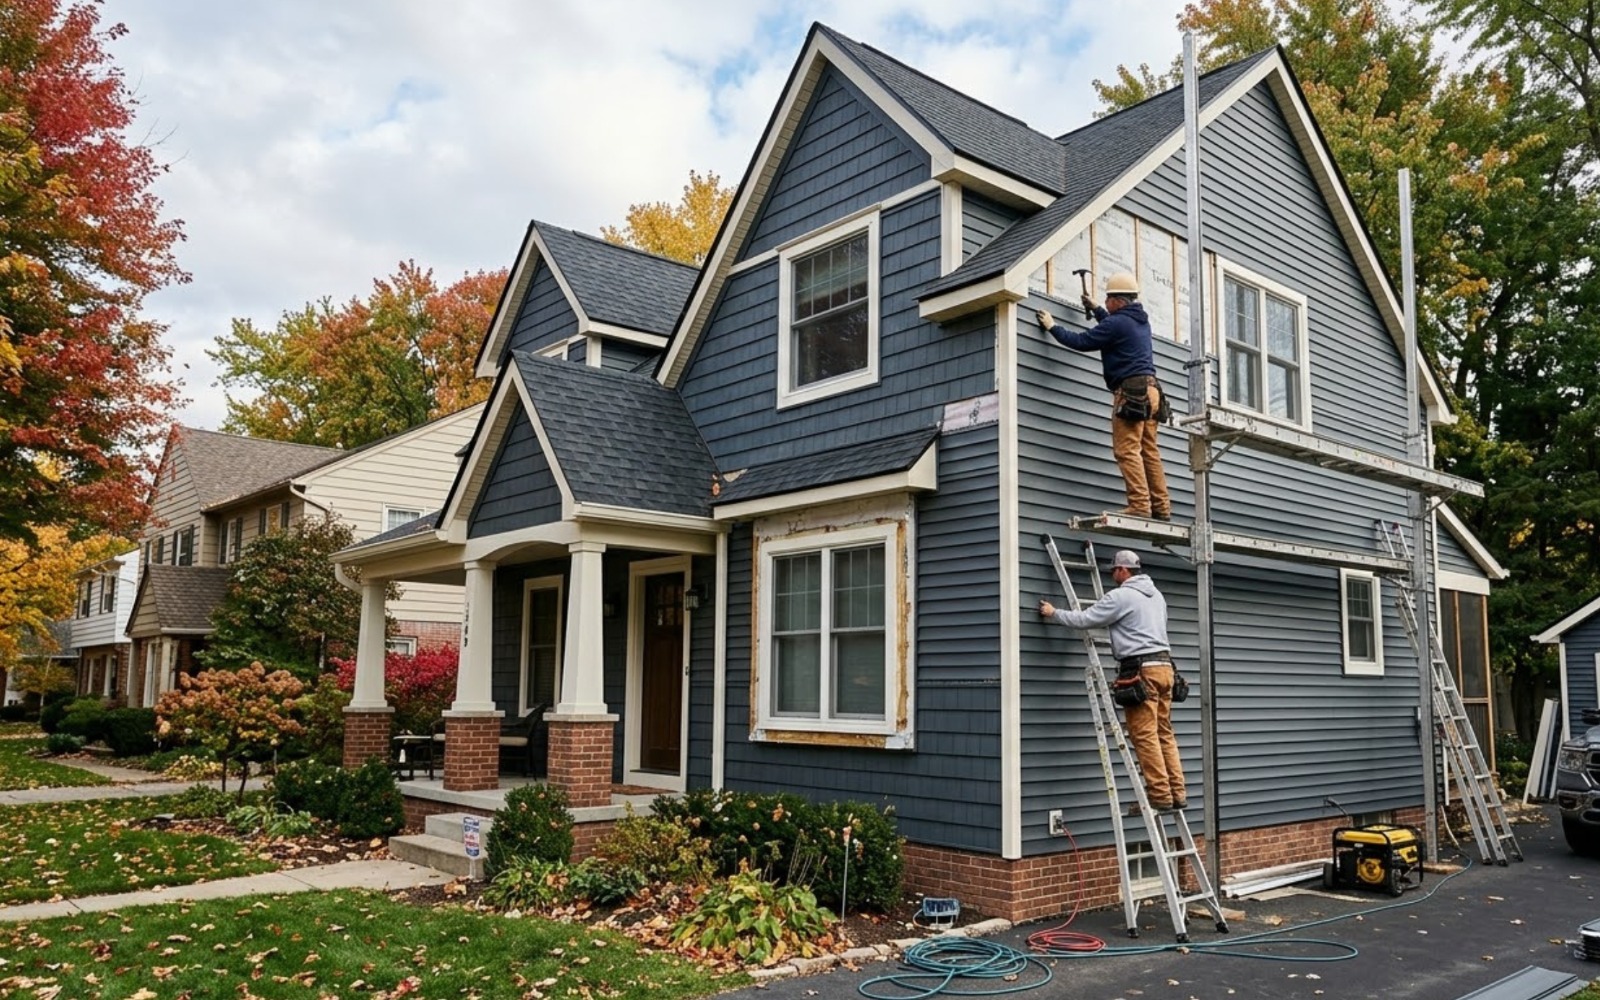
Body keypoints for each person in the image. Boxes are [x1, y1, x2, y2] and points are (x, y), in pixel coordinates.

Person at [1038, 548, 1186, 811]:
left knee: (1144, 735)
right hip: (1166, 669)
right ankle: (1177, 792)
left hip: (1143, 671)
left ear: (1123, 570)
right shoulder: (1157, 596)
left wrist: (1054, 613)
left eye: (1114, 570)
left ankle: (1161, 796)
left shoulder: (1121, 596)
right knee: (1164, 733)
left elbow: (1085, 619)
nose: (1112, 575)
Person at [1035, 272, 1171, 520]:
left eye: (1108, 298)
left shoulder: (1116, 323)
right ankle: (1161, 507)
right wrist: (1097, 309)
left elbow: (1081, 341)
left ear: (1119, 301)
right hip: (1153, 392)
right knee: (1149, 451)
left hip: (1131, 392)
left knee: (1127, 450)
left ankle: (1140, 504)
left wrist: (1052, 326)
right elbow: (1113, 327)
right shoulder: (1140, 321)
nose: (1106, 302)